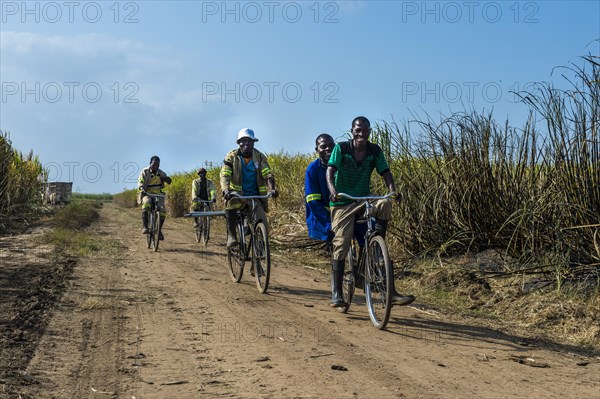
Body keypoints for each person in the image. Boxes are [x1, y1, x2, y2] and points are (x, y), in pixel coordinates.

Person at [326, 116, 415, 307]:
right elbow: (330, 170)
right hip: (343, 202)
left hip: (364, 198)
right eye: (357, 130)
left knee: (384, 203)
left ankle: (376, 244)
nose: (361, 134)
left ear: (369, 132)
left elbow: (385, 172)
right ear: (352, 131)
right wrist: (332, 189)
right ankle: (336, 292)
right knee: (341, 243)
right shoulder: (341, 148)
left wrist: (392, 190)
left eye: (364, 130)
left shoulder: (374, 151)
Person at [305, 133, 367, 251]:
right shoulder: (312, 169)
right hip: (324, 214)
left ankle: (369, 260)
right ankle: (337, 266)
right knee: (337, 241)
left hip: (348, 208)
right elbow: (313, 202)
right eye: (323, 147)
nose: (328, 149)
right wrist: (329, 222)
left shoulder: (345, 164)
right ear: (317, 150)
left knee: (366, 230)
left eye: (331, 146)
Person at [220, 128, 278, 248]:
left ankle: (261, 246)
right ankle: (232, 235)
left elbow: (268, 174)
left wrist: (272, 189)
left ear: (253, 143)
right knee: (231, 205)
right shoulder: (232, 156)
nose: (247, 144)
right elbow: (225, 174)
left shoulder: (260, 156)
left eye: (249, 141)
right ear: (239, 143)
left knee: (261, 220)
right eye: (244, 141)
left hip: (255, 195)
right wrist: (226, 189)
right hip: (237, 195)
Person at [138, 155, 172, 240]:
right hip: (147, 193)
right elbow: (140, 182)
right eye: (154, 165)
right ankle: (145, 227)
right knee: (146, 204)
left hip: (158, 195)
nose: (156, 167)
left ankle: (159, 230)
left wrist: (167, 180)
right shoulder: (144, 171)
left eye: (157, 165)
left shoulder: (161, 173)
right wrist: (142, 189)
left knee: (162, 211)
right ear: (150, 163)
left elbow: (169, 182)